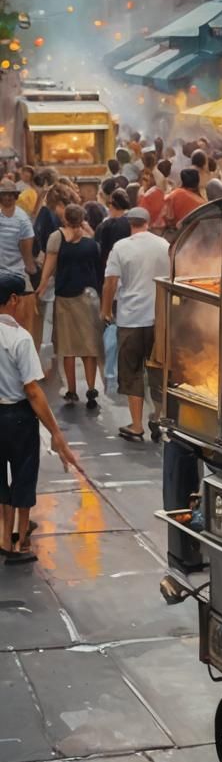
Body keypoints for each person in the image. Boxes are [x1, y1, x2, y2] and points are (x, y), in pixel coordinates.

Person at [0, 270, 81, 564]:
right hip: (18, 417)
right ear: (12, 300)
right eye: (22, 299)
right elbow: (33, 391)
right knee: (23, 475)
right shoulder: (20, 339)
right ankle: (20, 543)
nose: (24, 305)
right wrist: (56, 433)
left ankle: (3, 537)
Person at [102, 206, 170, 443]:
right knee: (158, 370)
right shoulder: (164, 246)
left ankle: (136, 425)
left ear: (129, 224)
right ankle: (158, 417)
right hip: (158, 319)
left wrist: (105, 310)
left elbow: (110, 282)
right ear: (148, 222)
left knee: (131, 372)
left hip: (130, 319)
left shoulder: (120, 247)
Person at [36, 203, 103, 407]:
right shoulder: (91, 244)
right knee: (89, 346)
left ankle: (72, 391)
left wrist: (41, 286)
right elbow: (98, 270)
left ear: (65, 218)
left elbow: (49, 265)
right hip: (87, 298)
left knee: (68, 347)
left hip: (65, 297)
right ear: (82, 219)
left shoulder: (56, 238)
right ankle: (91, 389)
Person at [0, 178, 35, 335]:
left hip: (17, 274)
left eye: (10, 195)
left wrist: (31, 269)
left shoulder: (22, 219)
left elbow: (27, 250)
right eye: (4, 194)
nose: (7, 198)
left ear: (15, 196)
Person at [95, 188, 131, 286]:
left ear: (111, 205)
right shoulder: (133, 223)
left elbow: (101, 251)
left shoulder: (105, 226)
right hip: (130, 270)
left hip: (110, 272)